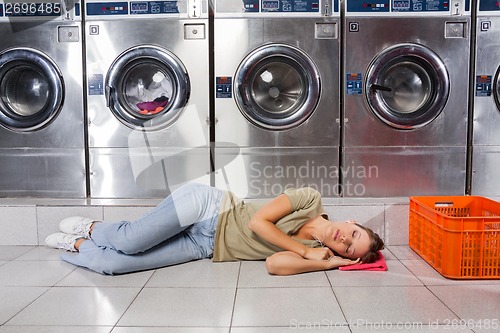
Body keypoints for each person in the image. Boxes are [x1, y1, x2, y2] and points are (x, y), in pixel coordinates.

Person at [45, 183, 385, 276]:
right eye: (353, 234)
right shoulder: (310, 199)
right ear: (351, 222)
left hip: (204, 247)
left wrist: (323, 262)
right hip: (207, 209)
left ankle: (75, 245)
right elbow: (256, 222)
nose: (344, 240)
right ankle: (92, 227)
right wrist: (305, 250)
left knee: (113, 264)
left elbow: (273, 265)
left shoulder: (319, 253)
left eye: (348, 250)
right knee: (129, 241)